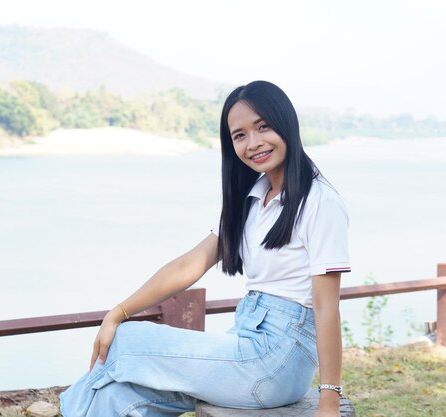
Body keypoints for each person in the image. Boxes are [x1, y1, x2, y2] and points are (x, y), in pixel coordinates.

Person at [59, 80, 351, 417]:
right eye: (239, 135)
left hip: (276, 362)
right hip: (246, 346)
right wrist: (119, 310)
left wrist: (329, 401)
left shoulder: (320, 202)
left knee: (124, 343)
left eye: (263, 127)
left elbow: (326, 307)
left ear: (286, 123)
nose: (253, 143)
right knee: (119, 397)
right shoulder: (252, 199)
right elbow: (191, 264)